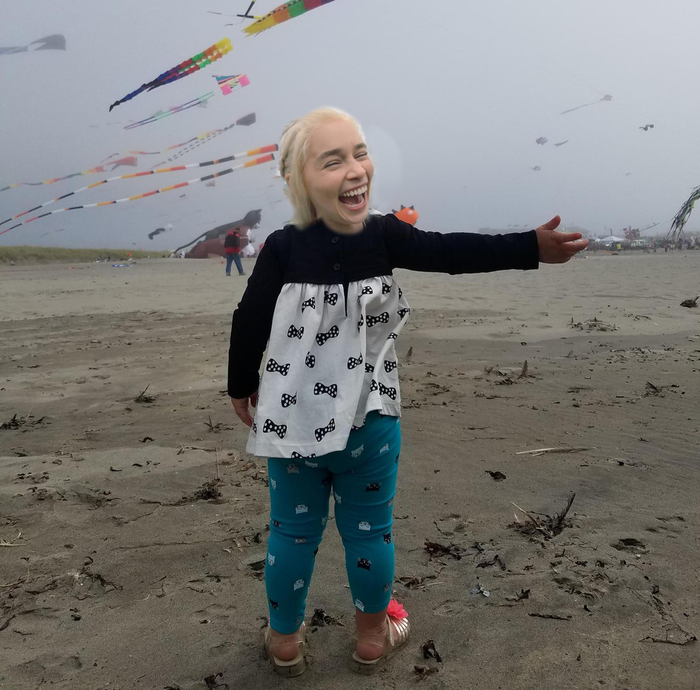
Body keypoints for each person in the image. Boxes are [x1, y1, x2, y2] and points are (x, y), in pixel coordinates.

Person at [227, 107, 588, 676]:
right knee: (368, 532)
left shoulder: (283, 247)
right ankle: (372, 637)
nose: (355, 169)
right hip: (370, 420)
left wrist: (241, 385)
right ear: (298, 179)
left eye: (360, 153)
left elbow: (249, 318)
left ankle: (284, 641)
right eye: (333, 161)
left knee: (291, 533)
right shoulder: (380, 235)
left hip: (293, 421)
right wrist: (528, 248)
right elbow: (448, 253)